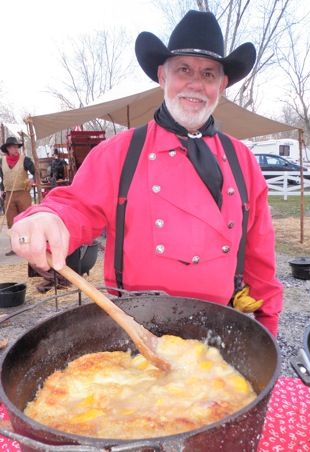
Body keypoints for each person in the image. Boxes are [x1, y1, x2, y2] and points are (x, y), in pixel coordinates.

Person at [10, 10, 283, 337]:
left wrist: (268, 329)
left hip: (220, 336)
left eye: (209, 74)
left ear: (222, 85)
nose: (196, 84)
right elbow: (76, 207)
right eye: (184, 70)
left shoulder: (243, 162)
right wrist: (47, 215)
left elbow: (260, 258)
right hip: (134, 335)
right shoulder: (119, 153)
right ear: (162, 77)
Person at [0, 136, 35, 256]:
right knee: (11, 221)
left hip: (23, 193)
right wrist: (1, 189)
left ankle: (28, 246)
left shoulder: (25, 159)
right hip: (9, 194)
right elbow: (3, 177)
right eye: (14, 147)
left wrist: (33, 179)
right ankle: (14, 247)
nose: (16, 149)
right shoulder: (2, 161)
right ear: (8, 149)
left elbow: (37, 172)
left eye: (17, 147)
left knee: (25, 220)